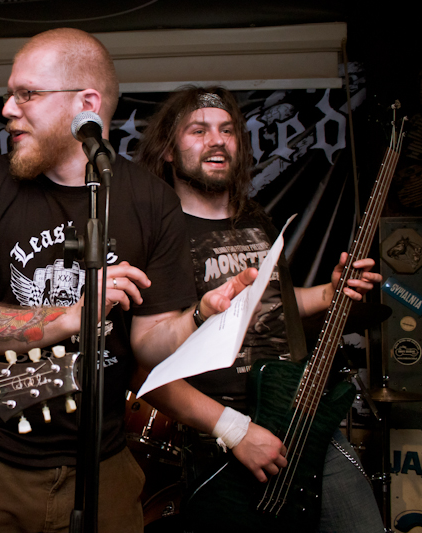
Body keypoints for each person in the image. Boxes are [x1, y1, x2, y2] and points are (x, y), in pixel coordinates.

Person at [0, 29, 256, 533]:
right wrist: (74, 315)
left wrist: (199, 316)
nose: (8, 109)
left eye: (28, 94)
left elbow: (150, 343)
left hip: (104, 465)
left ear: (86, 104)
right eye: (10, 94)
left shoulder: (149, 201)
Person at [136, 85, 384, 532]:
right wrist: (236, 431)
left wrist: (328, 293)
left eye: (227, 130)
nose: (217, 140)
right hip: (225, 439)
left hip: (300, 414)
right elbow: (148, 370)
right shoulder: (157, 234)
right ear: (169, 151)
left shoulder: (255, 219)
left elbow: (277, 305)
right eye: (199, 130)